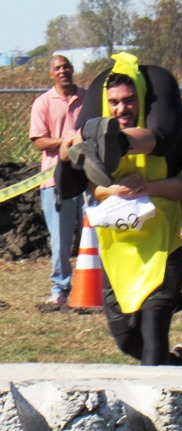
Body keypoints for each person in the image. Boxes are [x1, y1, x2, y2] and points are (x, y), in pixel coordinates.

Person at [57, 53, 182, 366]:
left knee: (153, 336)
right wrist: (69, 153)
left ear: (143, 100)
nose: (122, 109)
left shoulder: (176, 141)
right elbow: (68, 187)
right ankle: (175, 366)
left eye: (130, 100)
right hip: (117, 250)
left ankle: (158, 412)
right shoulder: (97, 147)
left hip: (165, 249)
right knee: (127, 341)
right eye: (115, 102)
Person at [29, 55, 86, 307]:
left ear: (72, 70)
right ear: (51, 74)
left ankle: (98, 287)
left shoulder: (88, 98)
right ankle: (60, 289)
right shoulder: (42, 103)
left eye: (66, 66)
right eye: (57, 68)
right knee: (60, 241)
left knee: (94, 236)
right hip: (55, 181)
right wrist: (66, 142)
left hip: (88, 179)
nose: (63, 71)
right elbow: (39, 141)